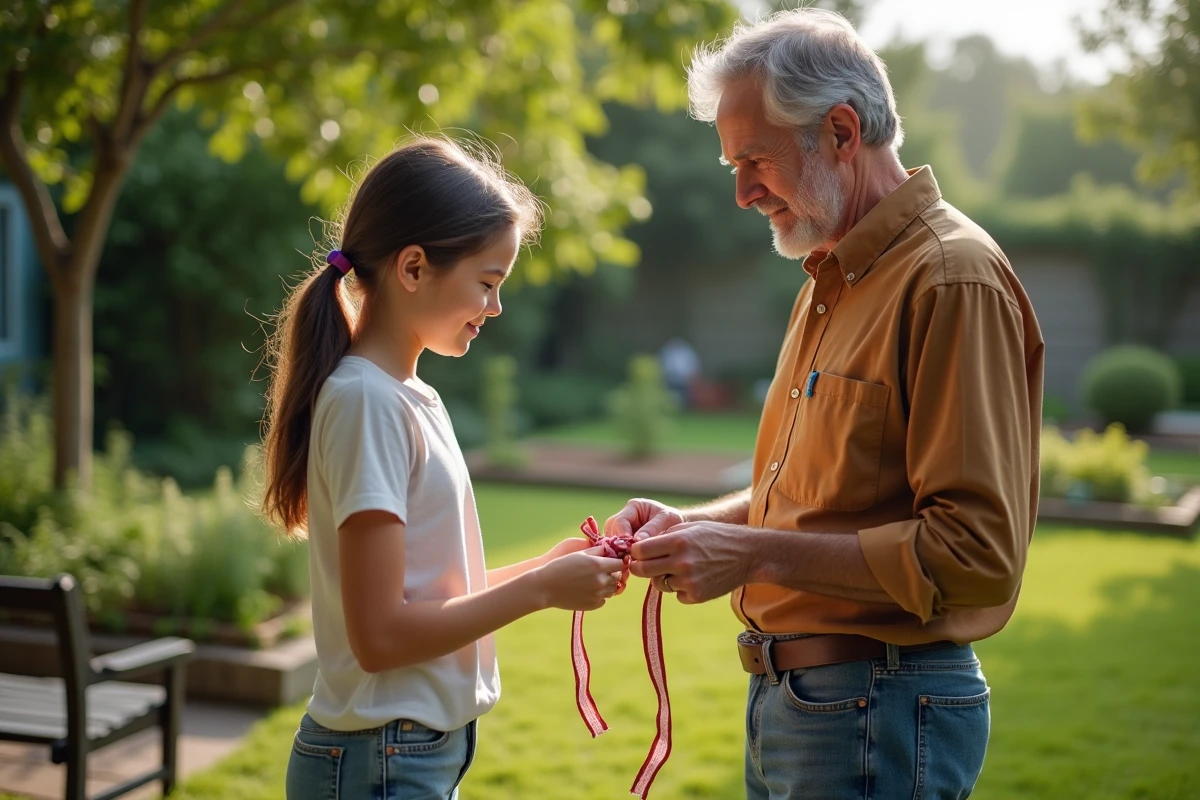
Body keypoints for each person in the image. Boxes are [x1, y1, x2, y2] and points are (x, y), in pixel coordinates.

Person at [610, 9, 1045, 799]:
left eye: (755, 160)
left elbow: (974, 555)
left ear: (842, 131)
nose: (742, 193)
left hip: (878, 705)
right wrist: (695, 525)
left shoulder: (950, 278)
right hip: (812, 707)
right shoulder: (832, 276)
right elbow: (813, 501)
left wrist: (753, 555)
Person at [260, 136, 625, 800]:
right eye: (487, 283)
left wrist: (546, 568)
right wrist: (542, 591)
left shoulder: (408, 396)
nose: (496, 308)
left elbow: (432, 594)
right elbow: (380, 637)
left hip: (405, 754)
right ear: (413, 268)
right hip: (380, 759)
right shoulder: (367, 402)